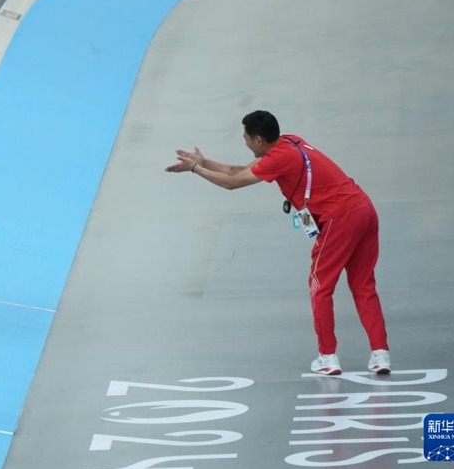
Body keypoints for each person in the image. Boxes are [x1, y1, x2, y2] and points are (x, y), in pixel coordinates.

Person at [166, 110, 390, 375]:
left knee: (320, 286)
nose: (245, 142)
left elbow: (232, 183)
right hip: (364, 209)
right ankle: (380, 355)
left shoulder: (278, 158)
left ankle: (327, 357)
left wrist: (195, 169)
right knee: (363, 285)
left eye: (246, 138)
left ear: (259, 140)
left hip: (339, 218)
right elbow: (240, 170)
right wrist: (206, 162)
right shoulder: (290, 141)